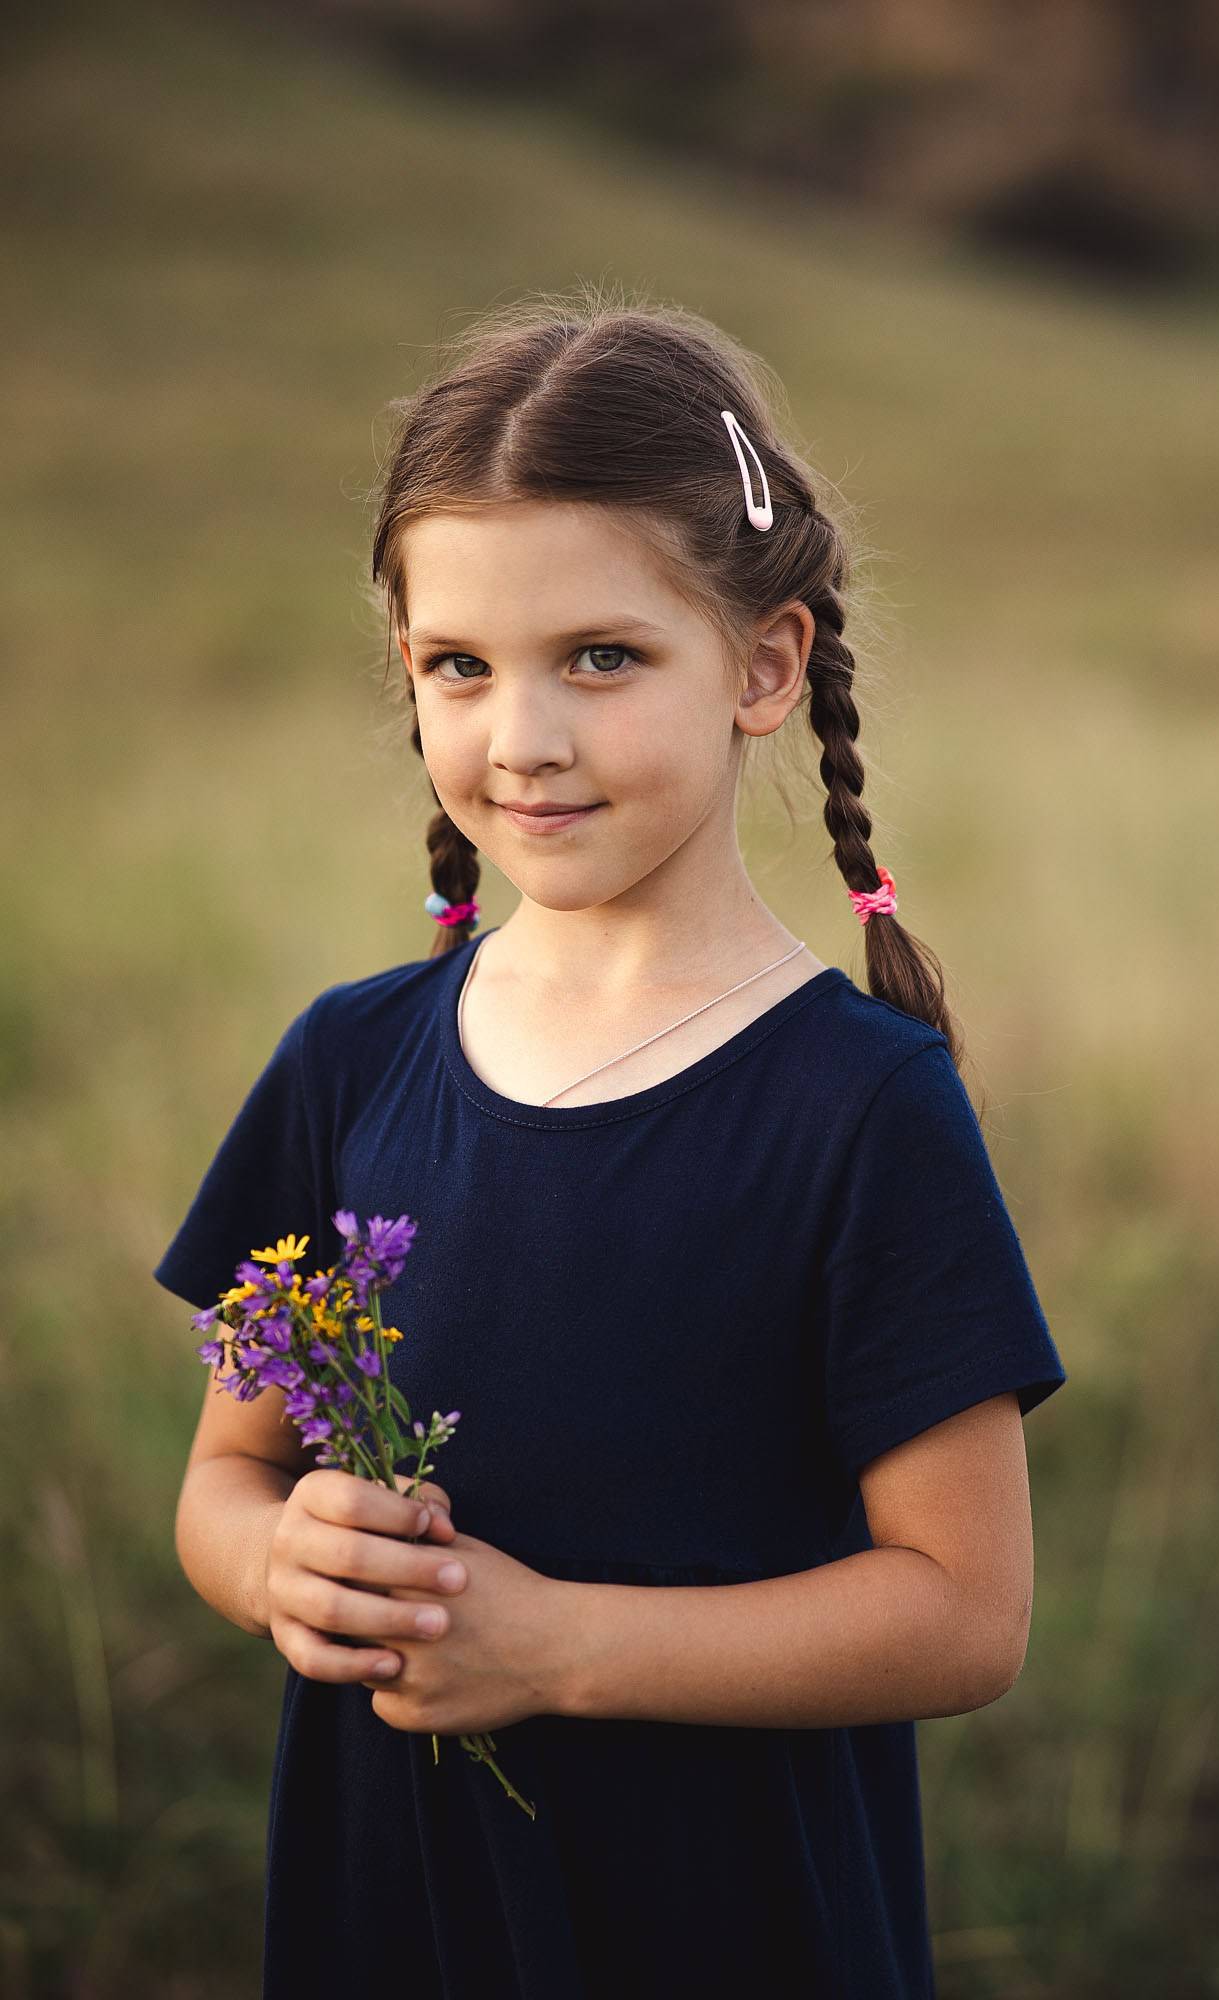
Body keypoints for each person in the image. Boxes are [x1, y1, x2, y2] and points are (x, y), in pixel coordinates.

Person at [157, 290, 1065, 2000]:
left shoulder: (859, 1104)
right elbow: (224, 1481)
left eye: (600, 657)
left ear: (764, 666)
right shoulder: (350, 1061)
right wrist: (281, 1563)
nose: (523, 739)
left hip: (722, 1916)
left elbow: (964, 1616)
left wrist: (560, 1648)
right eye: (460, 665)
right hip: (392, 1905)